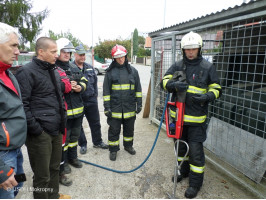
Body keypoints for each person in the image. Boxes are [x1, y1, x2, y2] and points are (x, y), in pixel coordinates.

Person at [160, 31, 222, 199]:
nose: (190, 52)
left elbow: (216, 88)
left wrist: (208, 96)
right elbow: (163, 81)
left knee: (195, 152)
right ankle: (183, 171)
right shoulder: (177, 65)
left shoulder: (207, 67)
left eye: (194, 49)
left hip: (196, 121)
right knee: (180, 148)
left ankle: (195, 184)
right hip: (178, 119)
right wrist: (173, 85)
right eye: (187, 49)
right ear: (183, 50)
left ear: (199, 49)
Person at [15, 37, 70, 199]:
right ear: (41, 52)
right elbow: (22, 105)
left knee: (54, 169)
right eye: (53, 52)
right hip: (40, 134)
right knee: (42, 175)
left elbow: (58, 98)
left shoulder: (52, 69)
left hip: (56, 128)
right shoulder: (27, 72)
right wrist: (37, 129)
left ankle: (54, 196)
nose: (56, 55)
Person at [0, 22, 27, 199]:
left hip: (15, 149)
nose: (18, 51)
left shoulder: (8, 73)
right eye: (13, 45)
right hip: (3, 155)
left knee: (19, 184)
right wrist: (1, 169)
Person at [103, 44, 142, 161]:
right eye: (118, 57)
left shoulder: (133, 71)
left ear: (126, 56)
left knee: (129, 129)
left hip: (129, 107)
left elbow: (138, 89)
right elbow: (106, 92)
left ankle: (128, 146)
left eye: (123, 56)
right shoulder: (110, 73)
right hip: (115, 108)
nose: (121, 59)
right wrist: (107, 107)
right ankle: (113, 150)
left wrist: (139, 104)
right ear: (114, 58)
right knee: (114, 130)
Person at [55, 38, 87, 173]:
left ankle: (73, 158)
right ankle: (65, 161)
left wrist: (80, 87)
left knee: (74, 137)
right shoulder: (54, 69)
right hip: (64, 113)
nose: (66, 54)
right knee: (65, 140)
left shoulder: (74, 67)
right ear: (57, 52)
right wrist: (66, 86)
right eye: (63, 51)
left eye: (68, 52)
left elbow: (84, 80)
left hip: (78, 111)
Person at [73, 44, 108, 155]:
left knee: (95, 123)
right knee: (78, 125)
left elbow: (95, 82)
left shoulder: (89, 67)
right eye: (80, 55)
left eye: (84, 55)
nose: (83, 57)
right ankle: (83, 144)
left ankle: (97, 141)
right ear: (75, 55)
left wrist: (95, 96)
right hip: (78, 101)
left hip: (91, 100)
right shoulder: (71, 69)